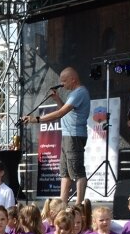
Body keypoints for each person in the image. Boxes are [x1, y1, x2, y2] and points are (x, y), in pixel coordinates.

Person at [23, 67, 91, 204]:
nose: (62, 84)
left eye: (64, 81)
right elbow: (65, 110)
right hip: (68, 136)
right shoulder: (74, 94)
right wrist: (57, 99)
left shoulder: (79, 92)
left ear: (73, 79)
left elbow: (60, 113)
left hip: (74, 136)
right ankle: (63, 203)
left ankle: (79, 205)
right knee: (65, 172)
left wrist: (36, 119)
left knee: (77, 171)